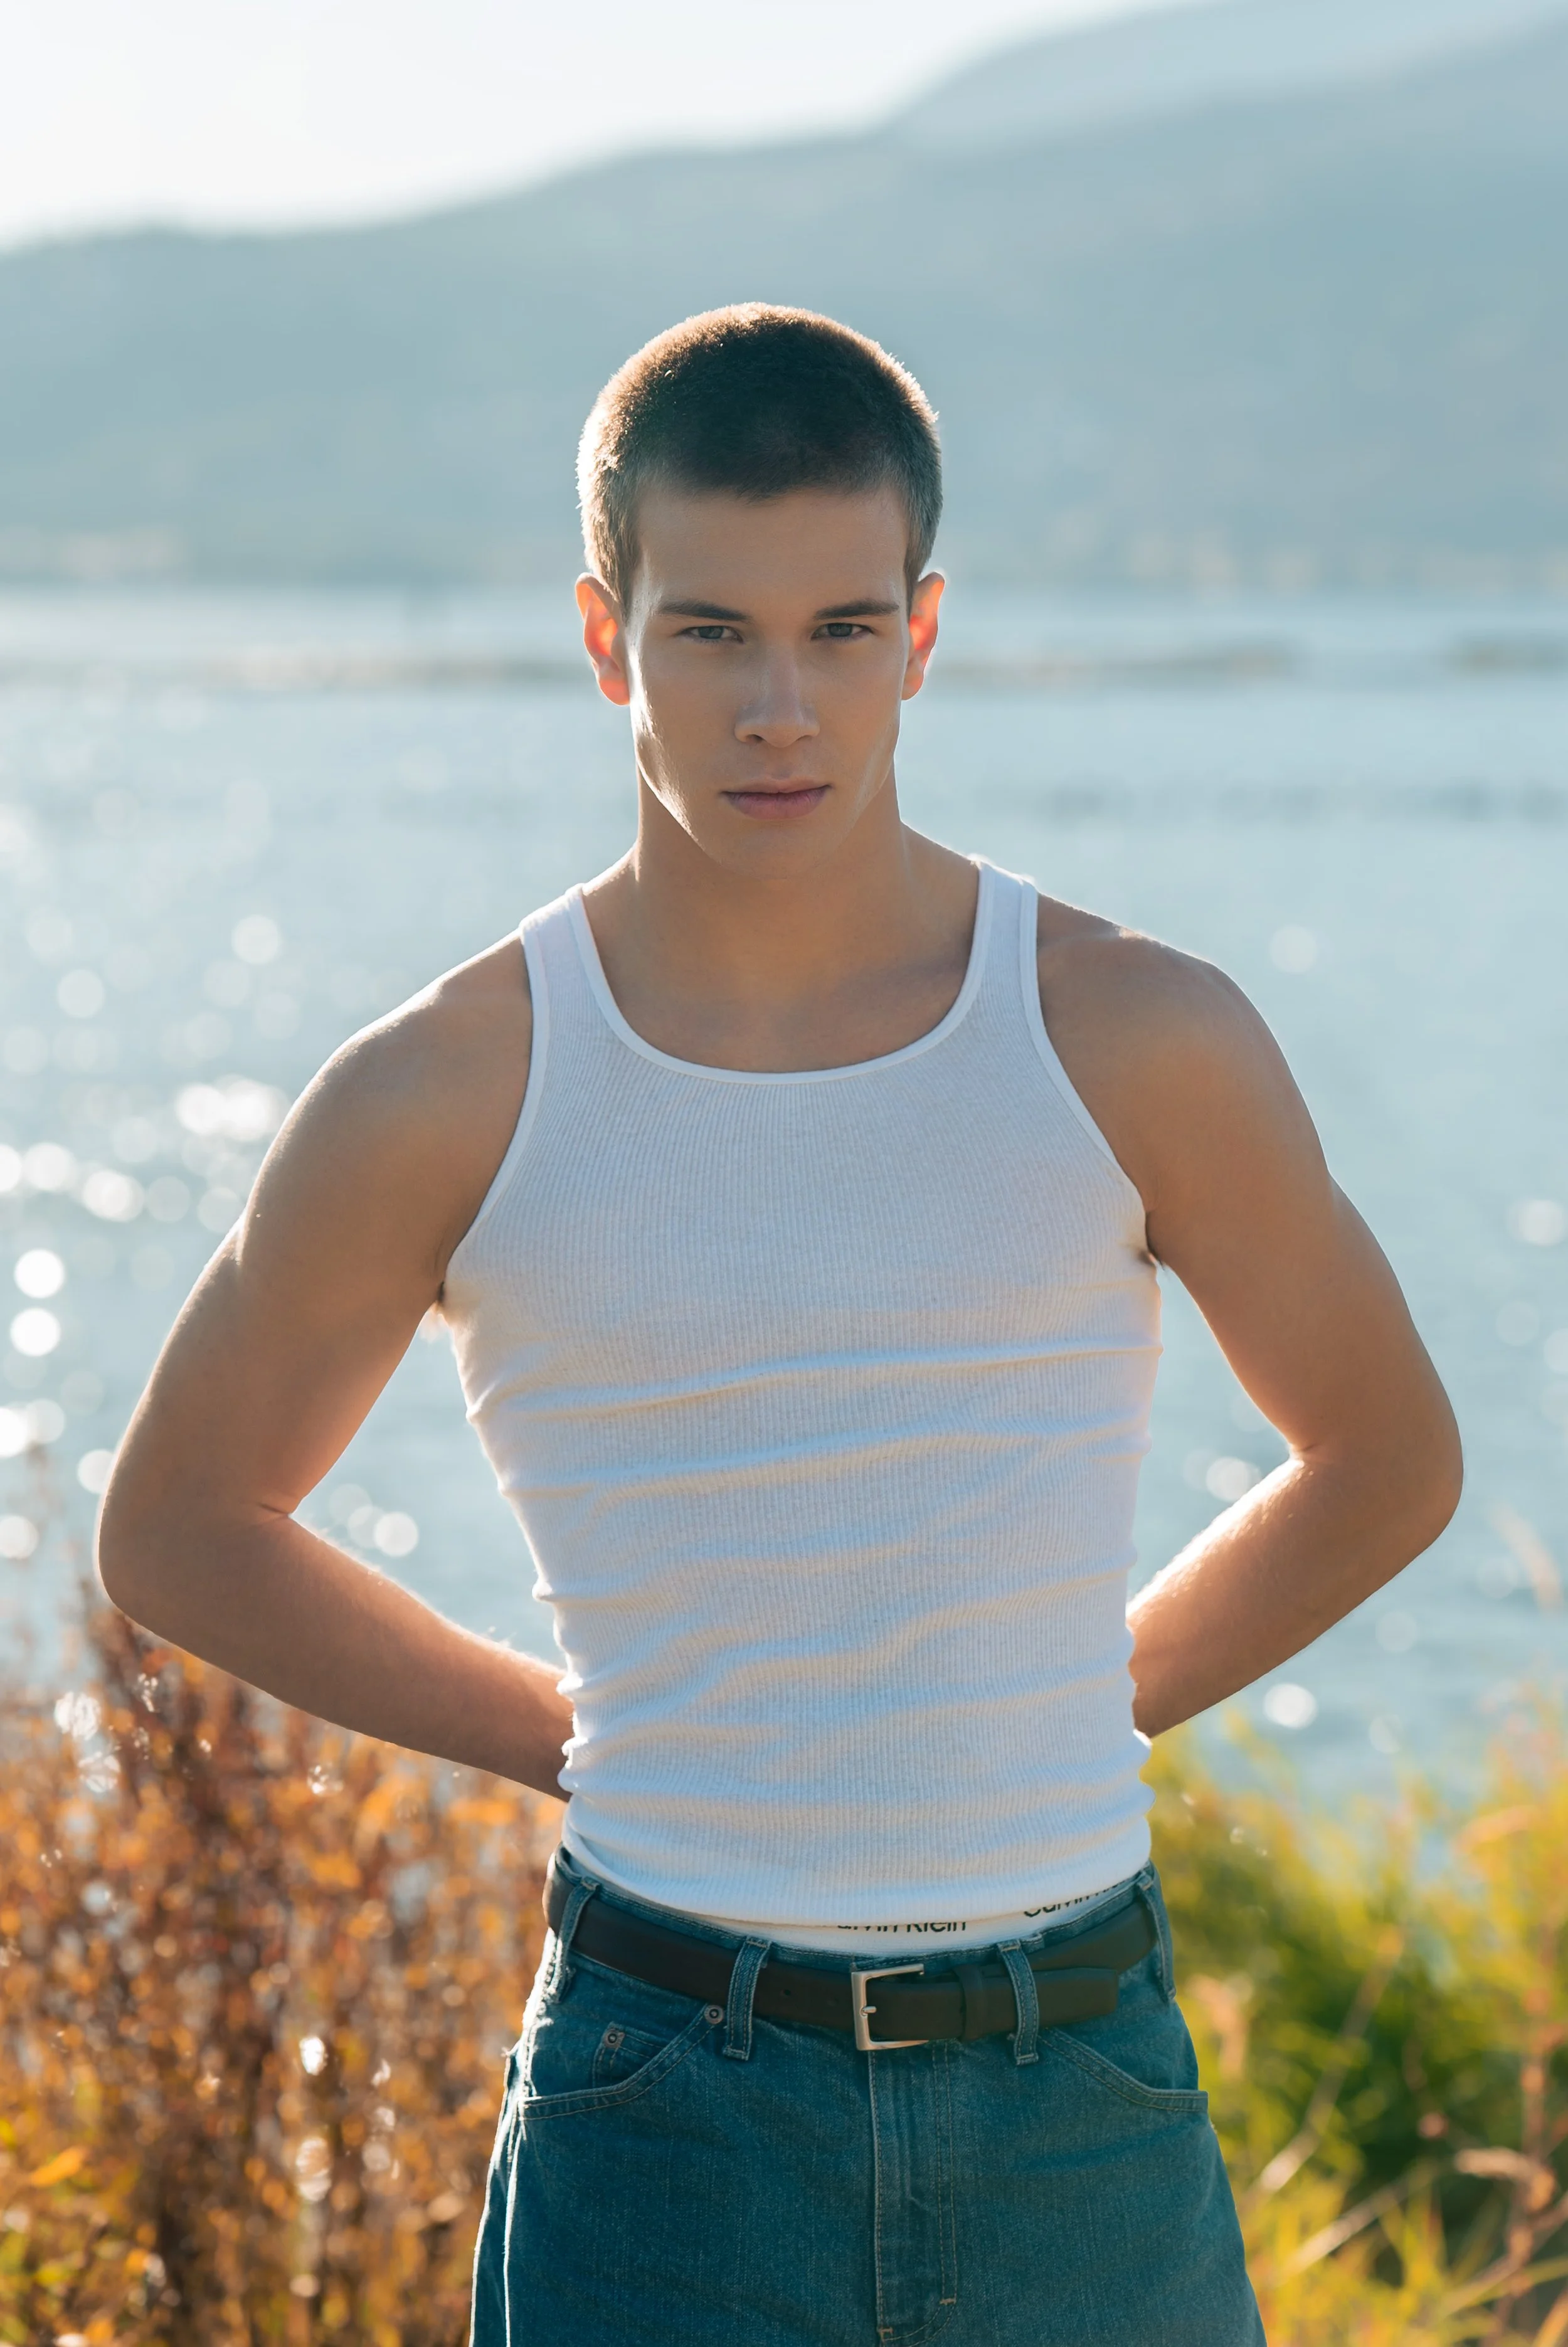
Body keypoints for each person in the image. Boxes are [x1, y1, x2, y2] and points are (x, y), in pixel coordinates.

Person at [98, 304, 1462, 2346]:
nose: (776, 707)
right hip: (664, 2098)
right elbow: (181, 1523)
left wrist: (1073, 1706)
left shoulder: (1129, 1030)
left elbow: (1384, 1459)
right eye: (709, 631)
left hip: (1073, 2085)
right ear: (601, 634)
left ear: (920, 634)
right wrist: (561, 1736)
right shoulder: (447, 1083)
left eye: (837, 630)